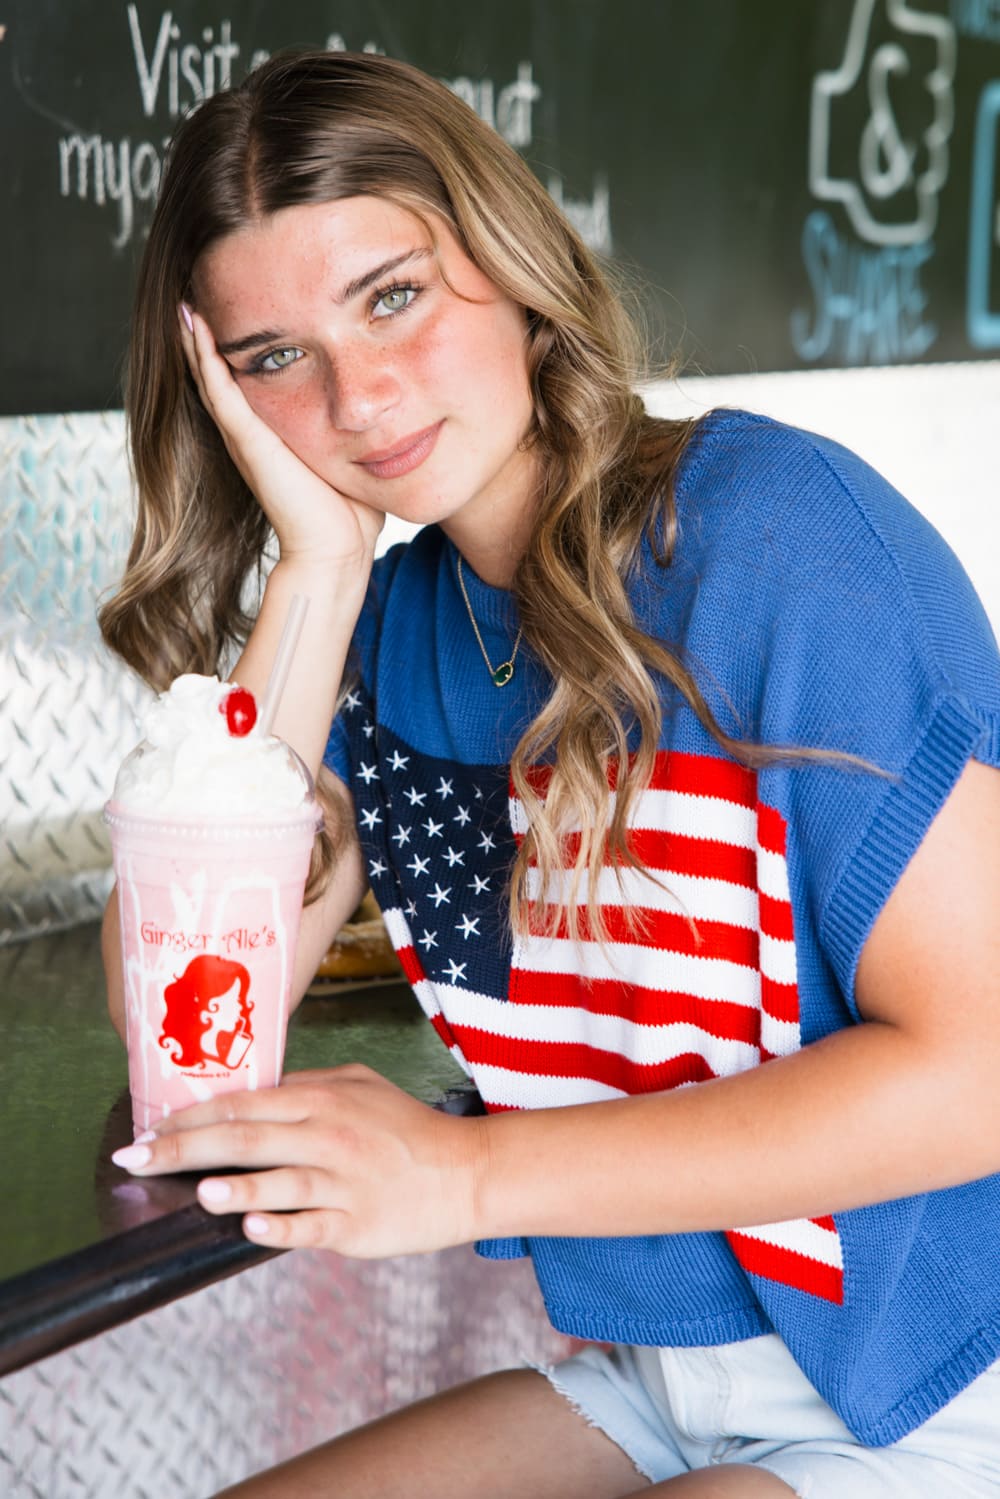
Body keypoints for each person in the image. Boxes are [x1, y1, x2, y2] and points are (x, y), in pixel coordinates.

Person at [98, 48, 1000, 1499]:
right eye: (276, 358)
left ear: (513, 265)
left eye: (393, 296)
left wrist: (457, 1181)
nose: (361, 390)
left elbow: (980, 1075)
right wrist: (321, 572)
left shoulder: (777, 540)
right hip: (654, 1381)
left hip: (946, 1383)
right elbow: (199, 1030)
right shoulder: (388, 638)